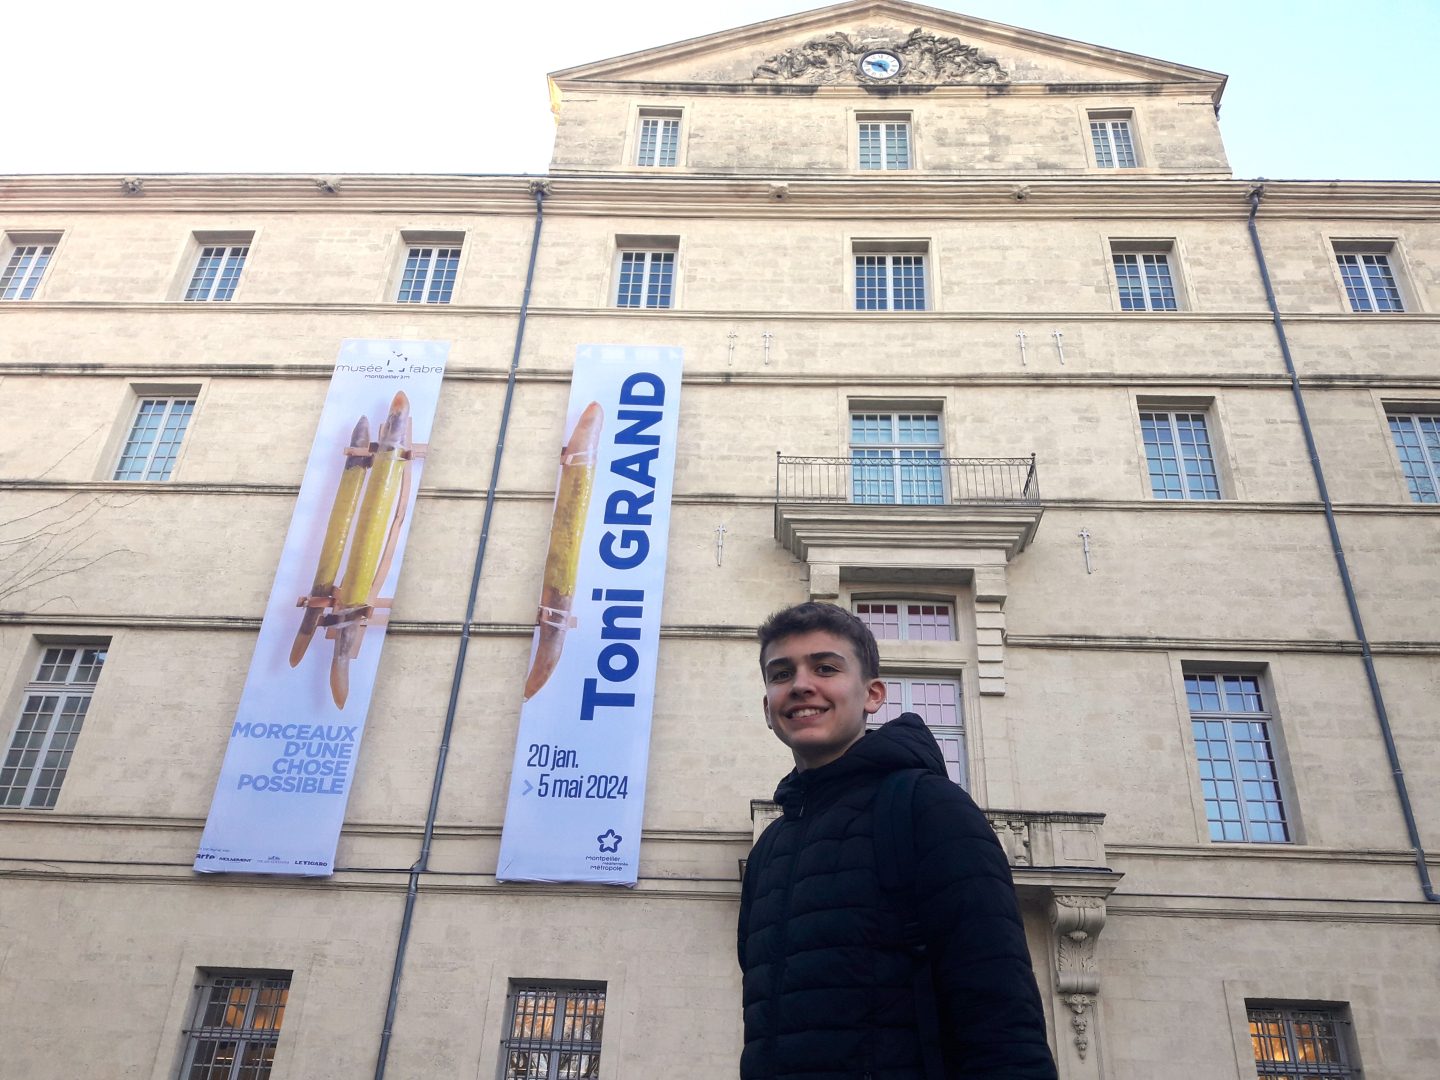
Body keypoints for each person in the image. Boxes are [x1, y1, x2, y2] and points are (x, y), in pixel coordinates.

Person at [737, 602, 1057, 1080]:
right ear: (768, 708)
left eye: (825, 667)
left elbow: (1002, 1017)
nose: (801, 683)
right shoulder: (769, 850)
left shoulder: (928, 808)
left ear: (872, 694)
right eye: (782, 673)